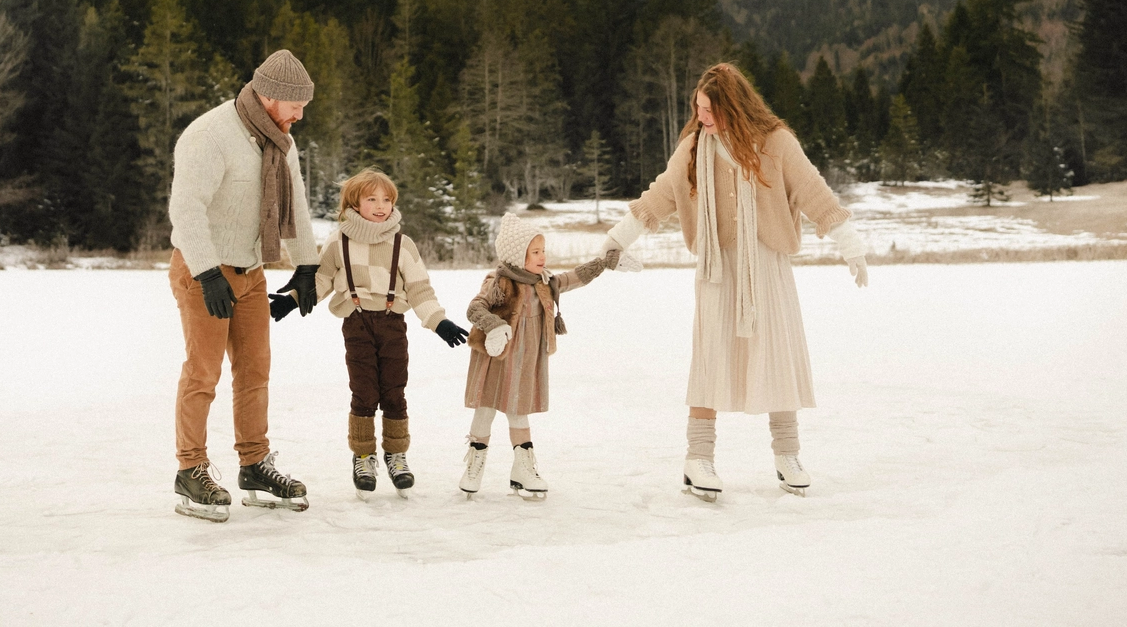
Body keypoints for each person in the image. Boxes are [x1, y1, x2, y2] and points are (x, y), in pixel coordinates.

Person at [602, 62, 868, 501]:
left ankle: (787, 454)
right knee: (711, 357)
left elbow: (814, 192)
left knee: (776, 352)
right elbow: (659, 197)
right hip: (716, 267)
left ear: (733, 106)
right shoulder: (692, 150)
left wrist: (850, 244)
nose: (701, 116)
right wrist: (615, 240)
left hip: (767, 265)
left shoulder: (776, 143)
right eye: (698, 107)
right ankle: (698, 458)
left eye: (708, 108)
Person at [166, 49, 321, 520]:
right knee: (203, 373)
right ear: (270, 96)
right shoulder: (210, 136)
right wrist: (207, 271)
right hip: (203, 272)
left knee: (254, 371)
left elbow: (296, 205)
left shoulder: (281, 141)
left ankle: (254, 462)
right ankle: (190, 469)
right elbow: (186, 209)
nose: (301, 115)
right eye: (296, 105)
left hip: (251, 273)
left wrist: (307, 267)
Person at [273, 168, 470, 500]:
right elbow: (320, 280)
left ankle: (396, 455)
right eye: (372, 199)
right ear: (354, 203)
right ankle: (363, 455)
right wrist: (293, 300)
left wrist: (439, 322)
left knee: (394, 391)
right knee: (364, 392)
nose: (381, 206)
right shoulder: (339, 242)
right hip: (357, 323)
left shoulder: (402, 244)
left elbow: (420, 289)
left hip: (393, 323)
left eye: (387, 199)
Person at [459, 212, 620, 500]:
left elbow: (572, 278)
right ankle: (474, 465)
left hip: (525, 362)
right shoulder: (499, 283)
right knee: (485, 411)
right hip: (496, 361)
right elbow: (474, 309)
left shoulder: (544, 283)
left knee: (519, 413)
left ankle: (522, 470)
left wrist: (602, 263)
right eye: (535, 251)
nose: (542, 256)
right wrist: (495, 326)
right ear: (517, 255)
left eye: (543, 250)